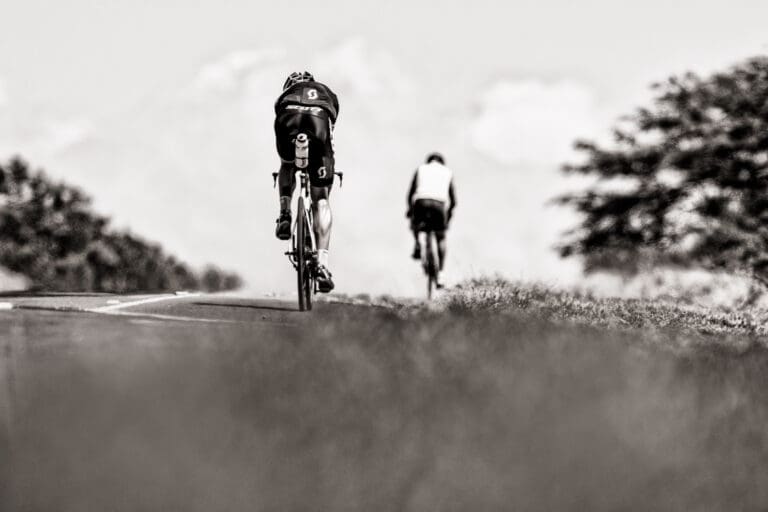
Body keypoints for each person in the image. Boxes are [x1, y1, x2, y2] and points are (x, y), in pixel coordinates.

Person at [273, 71, 339, 293]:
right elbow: (331, 129)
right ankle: (322, 263)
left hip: (287, 118)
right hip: (318, 120)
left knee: (287, 164)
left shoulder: (286, 95)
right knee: (321, 198)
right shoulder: (324, 91)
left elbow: (278, 110)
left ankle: (285, 213)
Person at [406, 152, 456, 285]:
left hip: (421, 202)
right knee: (441, 237)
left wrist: (410, 210)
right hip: (439, 205)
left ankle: (418, 244)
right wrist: (448, 216)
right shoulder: (448, 172)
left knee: (415, 223)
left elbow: (410, 193)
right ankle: (441, 274)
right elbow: (454, 200)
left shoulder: (421, 169)